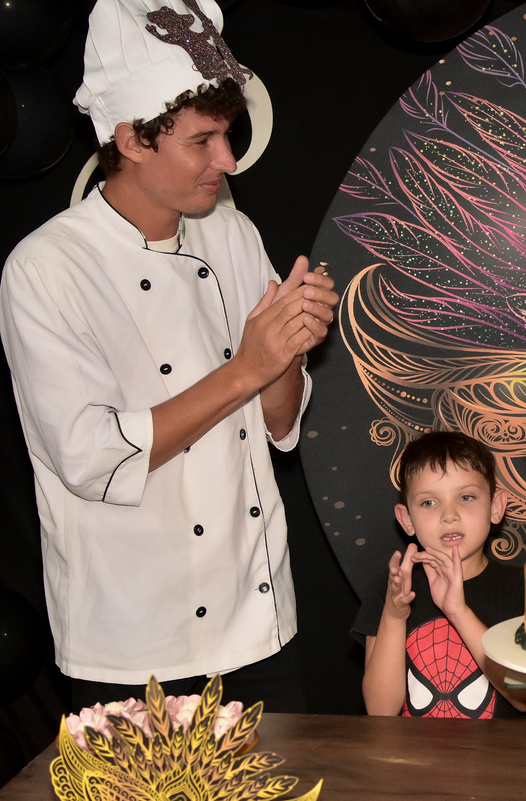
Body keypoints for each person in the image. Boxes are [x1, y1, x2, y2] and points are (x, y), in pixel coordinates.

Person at [0, 0, 337, 711]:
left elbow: (281, 426)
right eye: (203, 140)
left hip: (255, 620)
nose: (229, 158)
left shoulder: (234, 235)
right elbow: (92, 455)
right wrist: (247, 366)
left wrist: (288, 348)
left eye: (229, 133)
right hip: (133, 639)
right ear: (129, 138)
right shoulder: (47, 269)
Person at [353, 431, 526, 718]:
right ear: (406, 520)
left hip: (498, 761)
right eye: (429, 502)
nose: (449, 515)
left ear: (495, 507)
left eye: (466, 497)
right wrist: (393, 616)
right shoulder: (391, 590)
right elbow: (380, 711)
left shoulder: (521, 588)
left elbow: (525, 696)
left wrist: (457, 611)